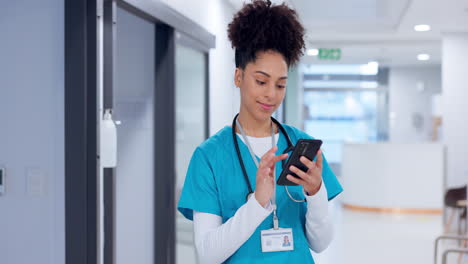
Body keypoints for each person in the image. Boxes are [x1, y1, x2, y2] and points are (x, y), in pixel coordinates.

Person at [177, 0, 343, 263]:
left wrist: (316, 192)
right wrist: (257, 203)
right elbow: (207, 253)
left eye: (280, 85)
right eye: (261, 81)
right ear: (238, 77)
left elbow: (320, 244)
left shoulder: (301, 144)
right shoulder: (209, 157)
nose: (270, 94)